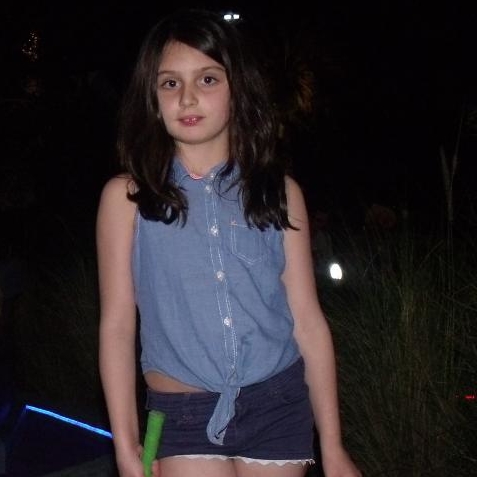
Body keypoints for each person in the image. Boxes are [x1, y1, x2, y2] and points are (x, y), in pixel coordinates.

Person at [96, 7, 362, 477]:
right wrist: (125, 444)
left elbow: (307, 321)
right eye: (170, 83)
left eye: (208, 79)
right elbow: (117, 325)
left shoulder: (280, 193)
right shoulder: (127, 199)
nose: (188, 97)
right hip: (181, 414)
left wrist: (333, 447)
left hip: (278, 404)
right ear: (152, 99)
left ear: (237, 89)